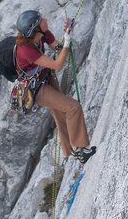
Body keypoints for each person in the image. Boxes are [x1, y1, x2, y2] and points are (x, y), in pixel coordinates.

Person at [15, 10, 97, 164]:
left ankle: (69, 151)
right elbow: (58, 64)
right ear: (35, 29)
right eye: (41, 20)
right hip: (36, 89)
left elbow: (59, 50)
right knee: (73, 107)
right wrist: (66, 41)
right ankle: (80, 149)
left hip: (46, 77)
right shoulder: (26, 50)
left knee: (60, 112)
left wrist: (67, 35)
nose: (45, 19)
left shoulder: (43, 34)